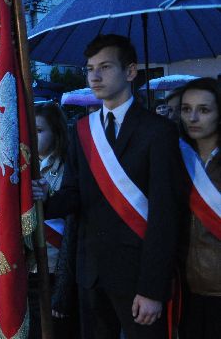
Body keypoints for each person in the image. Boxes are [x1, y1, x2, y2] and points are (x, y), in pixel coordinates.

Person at [32, 34, 183, 339]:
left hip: (138, 274)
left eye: (105, 67)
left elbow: (166, 217)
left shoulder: (159, 131)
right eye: (89, 69)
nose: (95, 76)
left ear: (130, 71)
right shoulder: (83, 131)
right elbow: (75, 196)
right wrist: (43, 199)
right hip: (91, 273)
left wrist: (153, 288)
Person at [29, 102, 78, 339]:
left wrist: (49, 198)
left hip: (56, 267)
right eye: (29, 129)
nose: (32, 136)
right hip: (28, 266)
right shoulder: (23, 167)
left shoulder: (69, 167)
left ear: (56, 131)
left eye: (39, 131)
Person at [177, 78, 221, 339]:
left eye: (204, 110)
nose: (193, 117)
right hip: (184, 289)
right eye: (186, 109)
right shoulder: (174, 158)